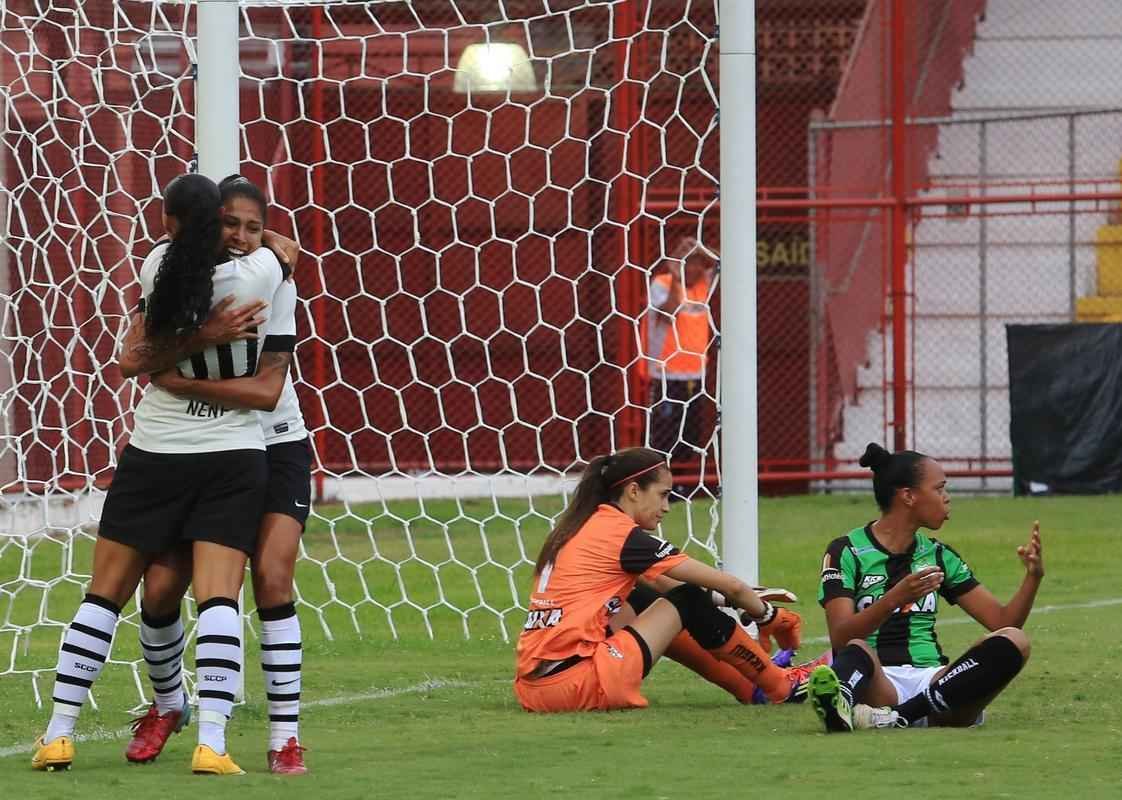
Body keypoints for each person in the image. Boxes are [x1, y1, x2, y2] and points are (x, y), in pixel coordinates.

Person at [31, 173, 294, 776]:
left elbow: (133, 359)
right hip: (230, 451)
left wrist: (190, 341)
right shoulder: (259, 273)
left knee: (104, 595)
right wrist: (277, 242)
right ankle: (211, 743)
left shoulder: (155, 266)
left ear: (168, 223)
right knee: (220, 596)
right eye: (235, 223)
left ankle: (59, 733)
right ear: (222, 221)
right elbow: (282, 257)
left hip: (154, 450)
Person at [124, 175, 310, 775]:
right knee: (157, 591)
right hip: (198, 450)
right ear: (205, 226)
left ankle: (284, 737)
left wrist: (182, 382)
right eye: (230, 223)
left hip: (274, 441)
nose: (241, 236)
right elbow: (131, 357)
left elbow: (266, 391)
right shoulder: (175, 278)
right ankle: (169, 703)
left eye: (255, 227)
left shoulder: (274, 278)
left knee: (273, 576)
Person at [514, 446, 812, 713]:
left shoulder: (580, 526)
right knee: (687, 601)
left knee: (648, 598)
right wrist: (768, 616)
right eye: (663, 494)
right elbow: (724, 585)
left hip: (534, 689)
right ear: (633, 491)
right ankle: (779, 686)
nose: (667, 507)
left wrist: (738, 599)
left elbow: (666, 587)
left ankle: (751, 686)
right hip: (577, 683)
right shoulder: (620, 535)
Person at [808, 442, 1044, 732]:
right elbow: (841, 637)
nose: (947, 498)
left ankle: (898, 717)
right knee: (856, 649)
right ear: (908, 496)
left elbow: (1002, 622)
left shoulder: (939, 555)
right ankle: (841, 701)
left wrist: (1033, 578)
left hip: (936, 685)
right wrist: (894, 598)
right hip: (877, 683)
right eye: (939, 489)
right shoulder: (846, 550)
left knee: (1015, 640)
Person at [645, 238, 717, 469]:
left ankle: (685, 484)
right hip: (666, 374)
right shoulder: (662, 283)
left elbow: (728, 261)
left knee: (691, 433)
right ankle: (663, 483)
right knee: (665, 433)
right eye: (689, 262)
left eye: (699, 263)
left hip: (696, 375)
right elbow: (669, 312)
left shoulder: (703, 285)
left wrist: (701, 247)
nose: (695, 268)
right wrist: (675, 275)